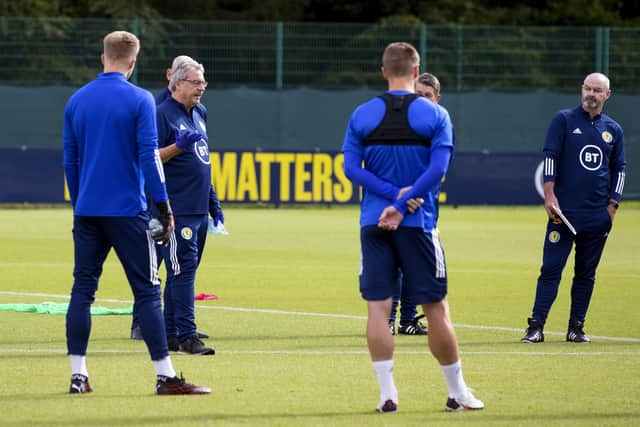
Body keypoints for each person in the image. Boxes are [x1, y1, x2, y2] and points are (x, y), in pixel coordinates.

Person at [62, 30, 210, 394]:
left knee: (82, 291)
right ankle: (165, 376)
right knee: (147, 291)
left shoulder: (77, 100)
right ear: (133, 62)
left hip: (88, 211)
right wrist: (163, 205)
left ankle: (78, 376)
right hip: (129, 210)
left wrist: (80, 203)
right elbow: (148, 157)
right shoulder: (140, 100)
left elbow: (70, 159)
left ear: (103, 57)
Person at [342, 42, 484, 413]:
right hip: (418, 224)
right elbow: (438, 171)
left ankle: (387, 395)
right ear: (417, 67)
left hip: (374, 221)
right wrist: (405, 201)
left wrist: (390, 197)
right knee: (436, 309)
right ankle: (457, 392)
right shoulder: (435, 114)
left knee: (378, 309)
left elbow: (351, 170)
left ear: (383, 70)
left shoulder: (362, 114)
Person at [521, 72, 626, 344]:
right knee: (550, 269)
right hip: (563, 214)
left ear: (607, 95)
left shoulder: (613, 130)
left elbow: (620, 169)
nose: (591, 94)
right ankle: (536, 326)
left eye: (597, 90)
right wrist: (549, 195)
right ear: (582, 90)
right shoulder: (564, 120)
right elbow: (550, 157)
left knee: (586, 274)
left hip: (597, 217)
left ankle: (576, 327)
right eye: (588, 89)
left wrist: (612, 206)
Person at [129, 55, 221, 342]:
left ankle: (170, 327)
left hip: (197, 207)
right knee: (172, 268)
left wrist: (213, 201)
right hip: (174, 206)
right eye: (196, 82)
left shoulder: (200, 112)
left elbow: (202, 160)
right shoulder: (160, 113)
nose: (201, 87)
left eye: (204, 82)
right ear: (177, 82)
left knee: (183, 268)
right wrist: (176, 147)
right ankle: (172, 329)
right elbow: (148, 158)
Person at [389, 72, 443, 336]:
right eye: (417, 95)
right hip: (398, 204)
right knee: (392, 264)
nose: (421, 101)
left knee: (415, 265)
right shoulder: (399, 122)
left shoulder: (439, 123)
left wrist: (419, 192)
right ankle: (388, 318)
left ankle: (408, 320)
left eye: (427, 96)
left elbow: (439, 168)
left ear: (437, 98)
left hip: (426, 207)